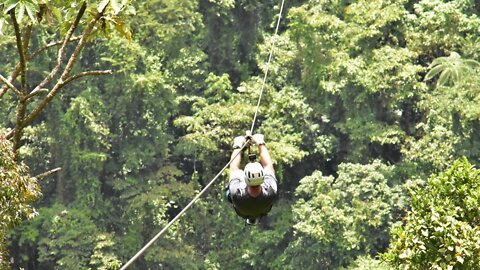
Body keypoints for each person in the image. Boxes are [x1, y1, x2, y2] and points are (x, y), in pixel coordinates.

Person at [226, 133, 278, 225]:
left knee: (236, 175)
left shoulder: (237, 193)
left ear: (245, 179)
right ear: (262, 177)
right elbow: (268, 166)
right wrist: (260, 143)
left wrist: (238, 145)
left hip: (247, 207)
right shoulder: (269, 192)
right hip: (246, 209)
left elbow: (234, 169)